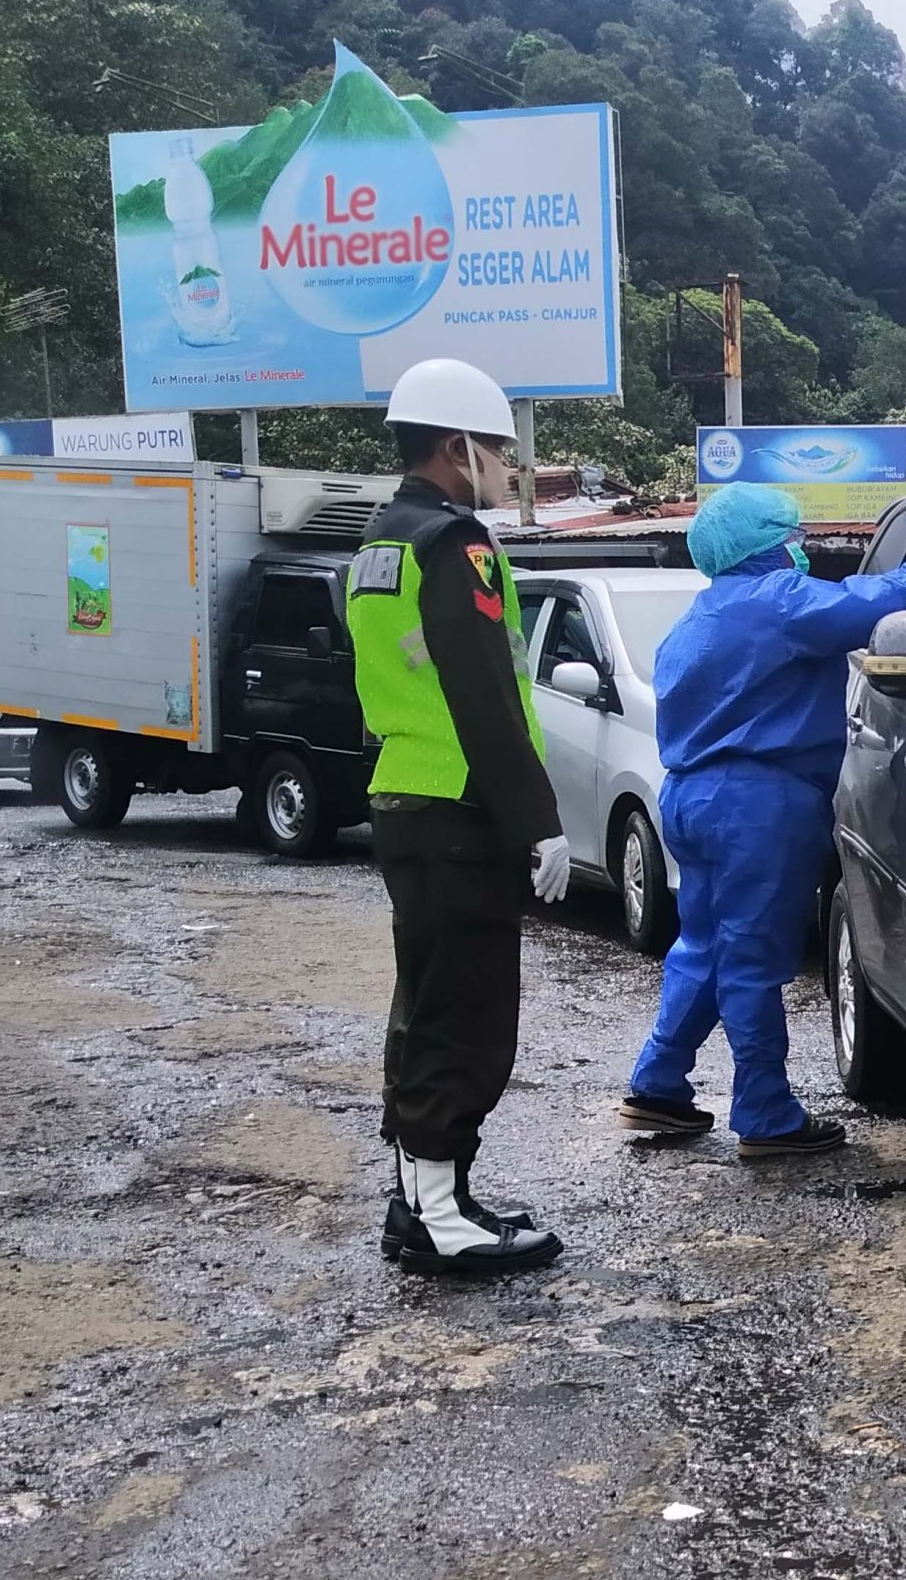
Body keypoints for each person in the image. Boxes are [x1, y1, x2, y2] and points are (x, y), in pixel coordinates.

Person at [618, 484, 906, 1157]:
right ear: (764, 545)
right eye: (791, 537)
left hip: (690, 797)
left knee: (704, 948)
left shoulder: (694, 621)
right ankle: (766, 1113)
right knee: (753, 960)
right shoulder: (775, 602)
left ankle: (657, 1083)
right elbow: (872, 604)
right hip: (757, 806)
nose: (798, 547)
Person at [350, 359, 569, 1275]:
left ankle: (422, 1200)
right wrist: (538, 820)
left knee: (424, 1000)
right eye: (500, 453)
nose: (507, 470)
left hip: (403, 792)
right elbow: (483, 692)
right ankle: (441, 1216)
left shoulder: (378, 541)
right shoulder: (458, 543)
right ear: (456, 448)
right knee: (467, 1014)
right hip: (458, 804)